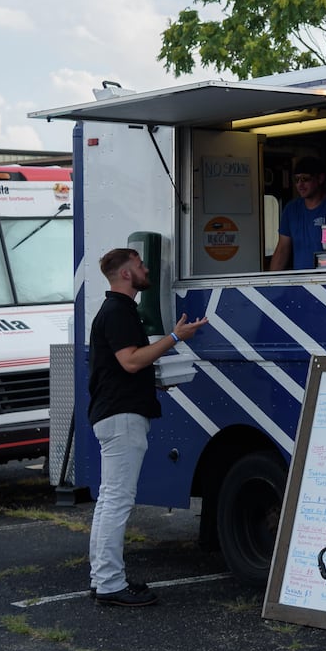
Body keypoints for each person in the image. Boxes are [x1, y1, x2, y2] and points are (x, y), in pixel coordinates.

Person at [87, 247, 207, 607]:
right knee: (117, 501)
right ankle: (109, 584)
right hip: (122, 418)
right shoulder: (119, 312)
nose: (145, 268)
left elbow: (121, 367)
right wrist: (174, 338)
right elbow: (130, 361)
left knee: (110, 500)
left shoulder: (115, 311)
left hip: (116, 412)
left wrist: (154, 382)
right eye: (139, 265)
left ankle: (104, 579)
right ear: (126, 274)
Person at [270, 156, 326, 271]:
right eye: (297, 180)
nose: (300, 185)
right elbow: (282, 248)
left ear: (320, 179)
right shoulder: (291, 209)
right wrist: (271, 285)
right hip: (300, 282)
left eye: (305, 179)